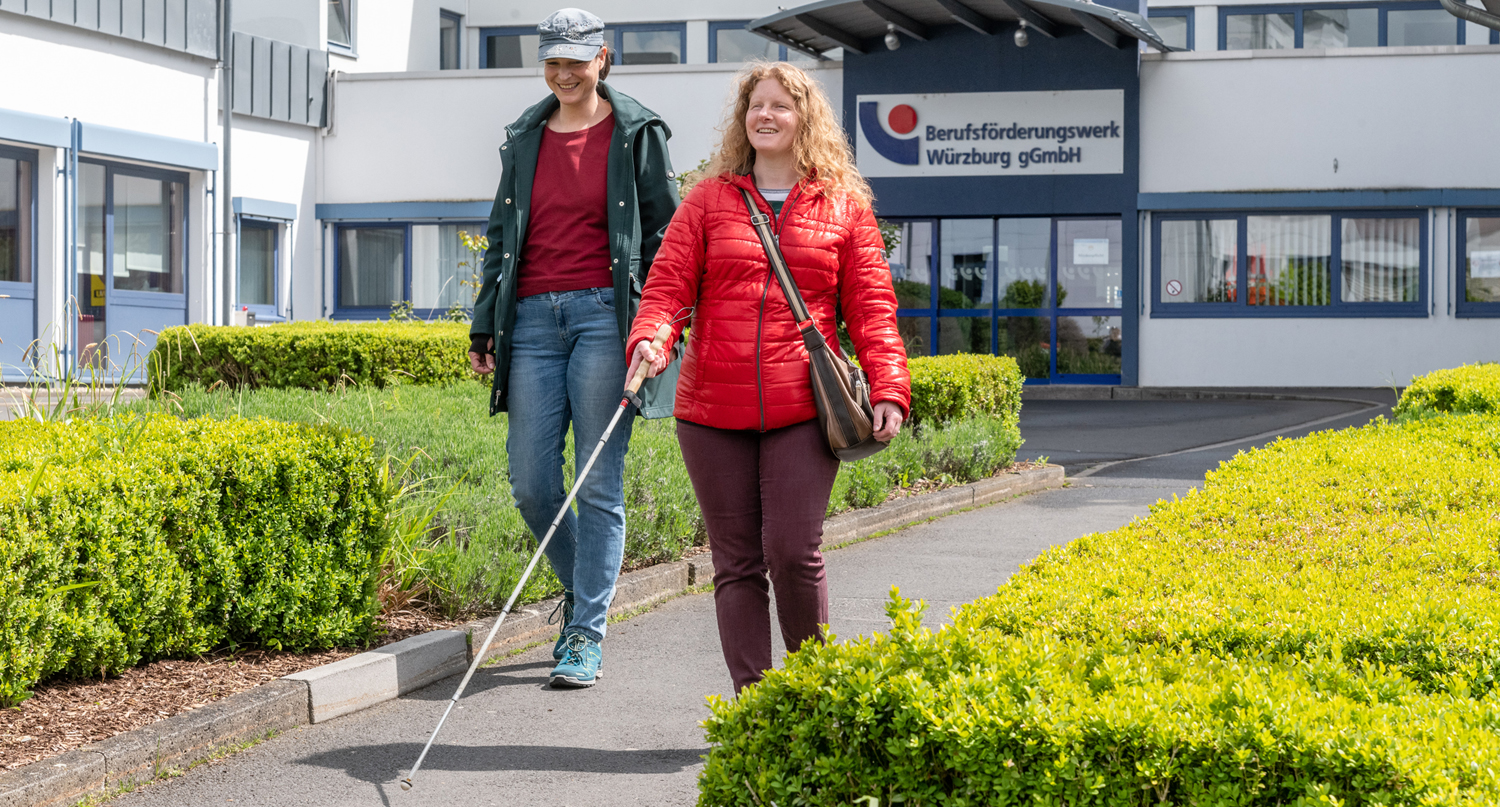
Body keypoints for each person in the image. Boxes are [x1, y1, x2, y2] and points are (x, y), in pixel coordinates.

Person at [626, 63, 911, 693]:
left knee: (791, 552)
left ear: (806, 118)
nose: (766, 115)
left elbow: (871, 308)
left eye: (782, 105)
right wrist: (652, 337)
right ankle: (754, 706)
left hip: (804, 409)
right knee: (736, 564)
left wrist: (888, 386)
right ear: (742, 118)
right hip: (710, 413)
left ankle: (810, 695)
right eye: (756, 105)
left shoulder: (843, 206)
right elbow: (669, 286)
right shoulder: (708, 199)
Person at [468, 7, 680, 689]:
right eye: (553, 60)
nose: (564, 72)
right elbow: (501, 237)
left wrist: (659, 325)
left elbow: (665, 241)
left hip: (603, 318)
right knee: (532, 485)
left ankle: (585, 632)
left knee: (597, 483)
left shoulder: (637, 132)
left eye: (576, 59)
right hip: (528, 321)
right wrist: (482, 325)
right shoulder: (525, 136)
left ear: (603, 59)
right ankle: (587, 587)